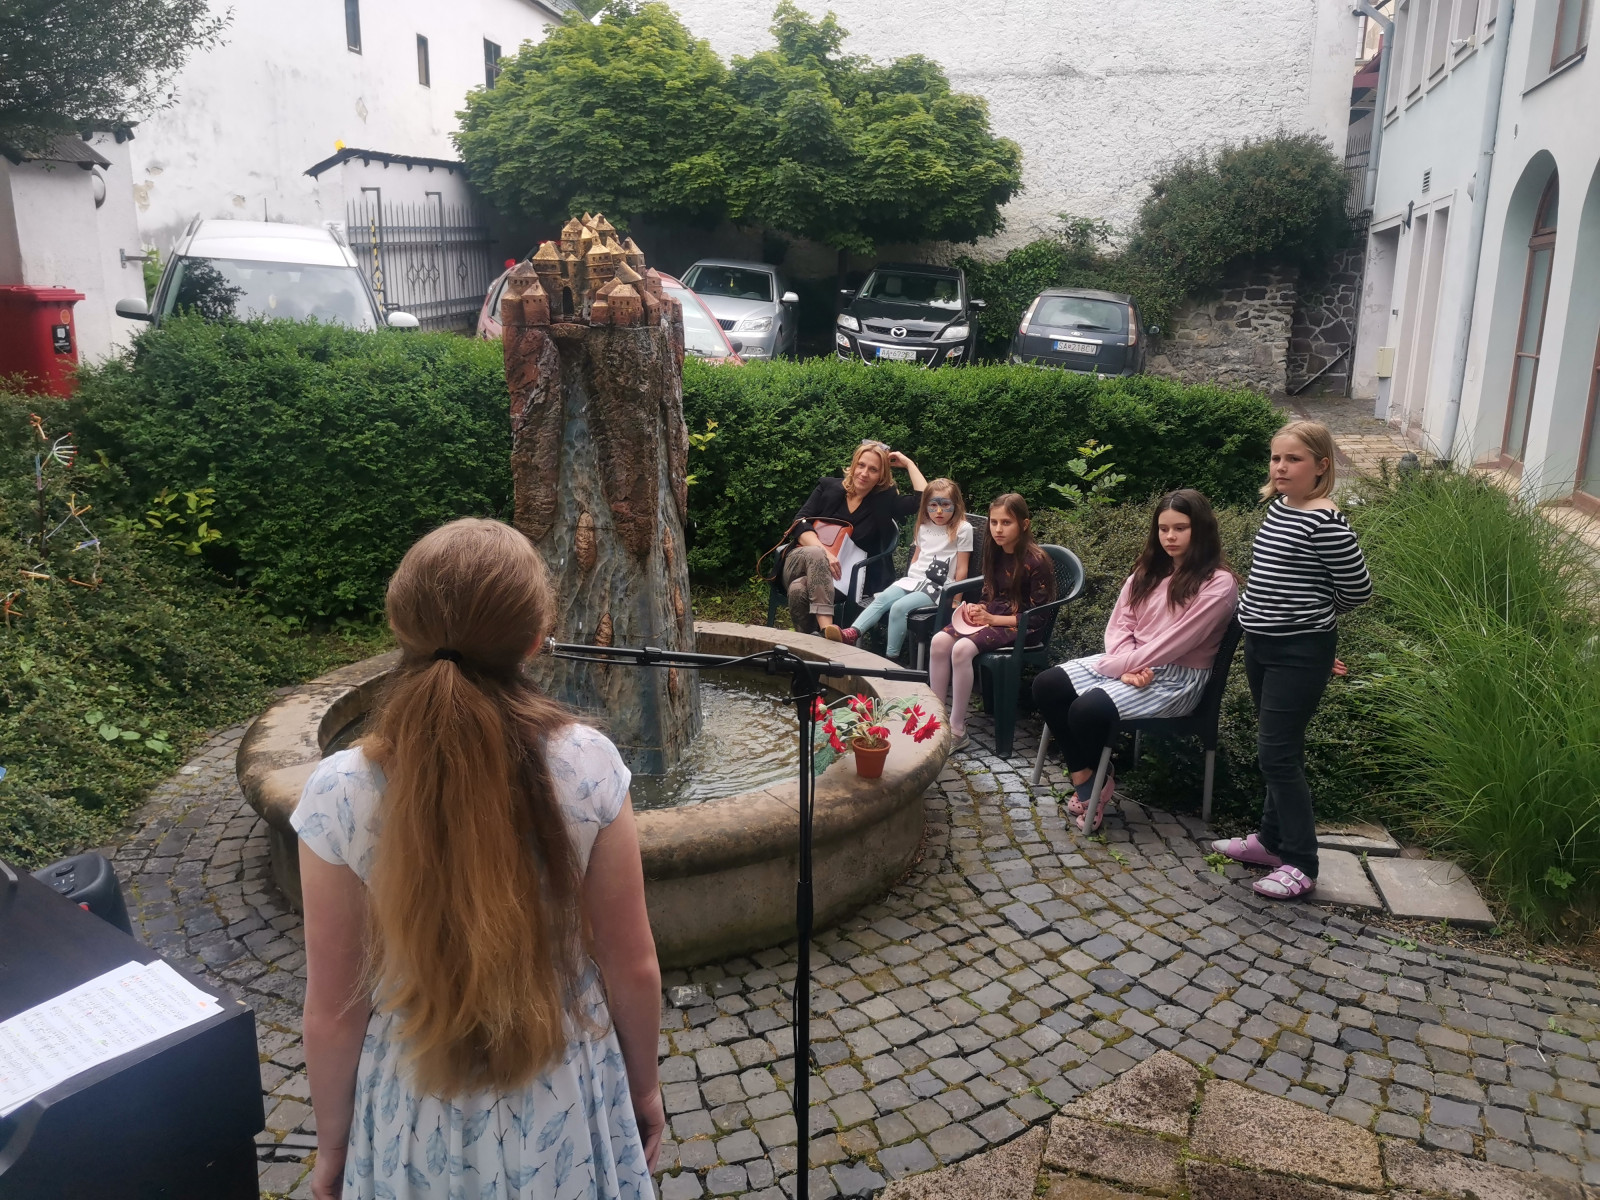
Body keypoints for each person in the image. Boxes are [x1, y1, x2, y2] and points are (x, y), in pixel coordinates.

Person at [294, 518, 663, 1200]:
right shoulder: (587, 764)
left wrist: (334, 1147)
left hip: (411, 1111)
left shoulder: (339, 791)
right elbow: (631, 964)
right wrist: (645, 1091)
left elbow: (334, 1009)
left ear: (400, 627)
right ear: (535, 638)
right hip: (564, 1094)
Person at [1211, 420, 1371, 901]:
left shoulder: (1326, 523)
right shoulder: (1280, 508)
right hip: (1261, 645)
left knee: (1277, 754)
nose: (1280, 467)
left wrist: (1312, 618)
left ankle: (1301, 863)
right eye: (1276, 457)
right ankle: (1269, 841)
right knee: (1278, 748)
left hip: (1299, 652)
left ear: (1321, 465)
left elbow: (1357, 590)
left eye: (1293, 459)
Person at [1032, 490, 1238, 833]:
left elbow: (1177, 642)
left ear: (1201, 529)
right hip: (1130, 660)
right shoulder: (1148, 571)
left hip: (1178, 678)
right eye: (1163, 529)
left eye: (1180, 528)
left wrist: (1123, 666)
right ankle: (1087, 778)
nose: (1170, 536)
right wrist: (1124, 663)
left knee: (1086, 710)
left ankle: (1092, 789)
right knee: (1047, 684)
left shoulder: (1218, 584)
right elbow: (1121, 623)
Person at [928, 493, 1055, 753]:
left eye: (1006, 523)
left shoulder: (1036, 560)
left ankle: (957, 729)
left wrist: (992, 618)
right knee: (939, 641)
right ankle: (935, 720)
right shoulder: (994, 551)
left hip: (1023, 627)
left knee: (962, 649)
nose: (998, 529)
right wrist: (979, 608)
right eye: (994, 522)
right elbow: (990, 595)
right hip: (995, 617)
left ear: (1024, 524)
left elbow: (1037, 616)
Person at [783, 440, 927, 635]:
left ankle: (811, 642)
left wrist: (908, 463)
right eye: (861, 465)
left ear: (881, 476)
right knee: (817, 554)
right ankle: (827, 629)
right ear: (853, 465)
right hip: (800, 562)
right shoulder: (827, 487)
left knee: (798, 590)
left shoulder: (884, 501)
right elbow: (799, 522)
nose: (864, 473)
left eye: (873, 469)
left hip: (841, 578)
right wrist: (825, 554)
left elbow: (924, 500)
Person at [825, 477, 972, 658]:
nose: (939, 511)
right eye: (933, 505)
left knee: (899, 607)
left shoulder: (962, 529)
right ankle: (851, 633)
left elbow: (962, 568)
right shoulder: (924, 526)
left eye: (946, 505)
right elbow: (916, 557)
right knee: (883, 598)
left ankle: (891, 658)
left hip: (937, 587)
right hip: (912, 581)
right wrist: (910, 576)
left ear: (956, 504)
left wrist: (955, 599)